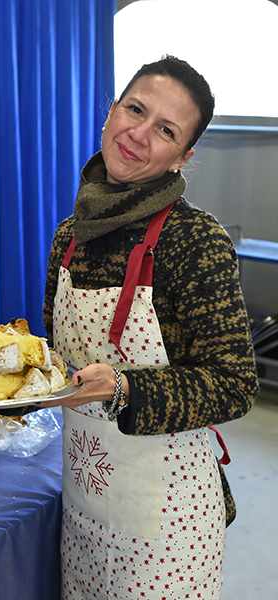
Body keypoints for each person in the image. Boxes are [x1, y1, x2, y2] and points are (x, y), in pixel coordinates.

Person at [42, 56, 259, 600]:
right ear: (110, 112)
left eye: (165, 130)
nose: (138, 134)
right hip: (84, 502)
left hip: (168, 522)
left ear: (183, 157)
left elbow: (234, 384)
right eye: (134, 109)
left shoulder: (196, 241)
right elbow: (53, 358)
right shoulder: (70, 236)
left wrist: (125, 387)